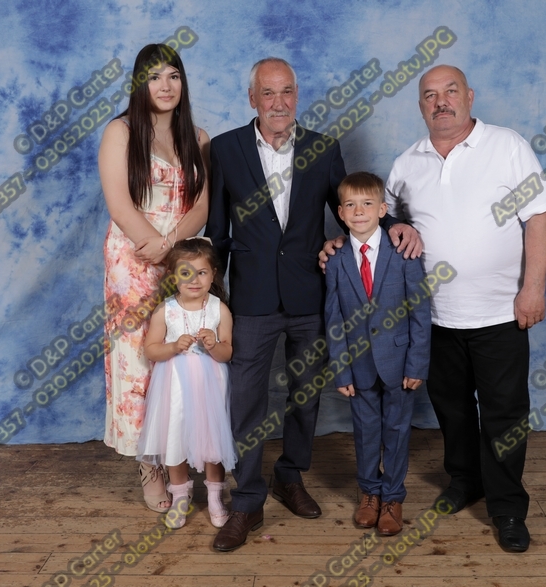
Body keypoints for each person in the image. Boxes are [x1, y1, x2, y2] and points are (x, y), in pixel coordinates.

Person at [206, 57, 421, 552]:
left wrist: (396, 227)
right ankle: (247, 500)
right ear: (252, 99)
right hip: (253, 298)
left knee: (304, 396)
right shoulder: (225, 148)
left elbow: (351, 212)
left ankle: (290, 476)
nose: (278, 102)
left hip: (310, 294)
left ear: (297, 96)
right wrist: (213, 301)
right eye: (268, 93)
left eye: (287, 91)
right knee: (246, 401)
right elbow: (217, 230)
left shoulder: (323, 148)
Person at [384, 64, 546, 552]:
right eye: (430, 95)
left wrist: (533, 289)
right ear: (420, 106)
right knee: (452, 408)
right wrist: (395, 227)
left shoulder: (507, 146)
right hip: (434, 316)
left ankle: (507, 507)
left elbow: (539, 219)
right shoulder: (407, 163)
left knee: (505, 414)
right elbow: (385, 222)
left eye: (450, 91)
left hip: (500, 312)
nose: (440, 101)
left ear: (470, 96)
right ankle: (465, 480)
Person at [99, 43, 209, 514]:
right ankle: (149, 465)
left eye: (174, 76)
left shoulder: (198, 137)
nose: (165, 86)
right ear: (139, 84)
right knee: (139, 360)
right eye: (154, 77)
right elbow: (119, 203)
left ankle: (180, 456)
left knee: (184, 354)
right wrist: (154, 246)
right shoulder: (121, 132)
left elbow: (202, 206)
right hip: (133, 257)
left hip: (181, 257)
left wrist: (173, 249)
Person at [324, 172, 431, 536]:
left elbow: (420, 312)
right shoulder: (336, 259)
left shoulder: (403, 252)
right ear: (340, 212)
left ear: (383, 210)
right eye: (351, 205)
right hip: (359, 366)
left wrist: (417, 364)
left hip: (400, 363)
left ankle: (393, 497)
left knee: (397, 431)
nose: (359, 211)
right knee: (366, 431)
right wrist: (341, 370)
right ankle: (369, 493)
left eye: (367, 204)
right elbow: (333, 319)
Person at [136, 238, 236, 529]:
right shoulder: (165, 310)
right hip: (175, 387)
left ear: (213, 274)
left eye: (202, 272)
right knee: (175, 439)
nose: (194, 280)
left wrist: (214, 345)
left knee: (212, 439)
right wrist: (172, 347)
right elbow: (151, 350)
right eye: (185, 273)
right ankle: (180, 497)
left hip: (211, 386)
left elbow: (227, 352)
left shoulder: (220, 309)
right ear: (173, 276)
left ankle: (215, 497)